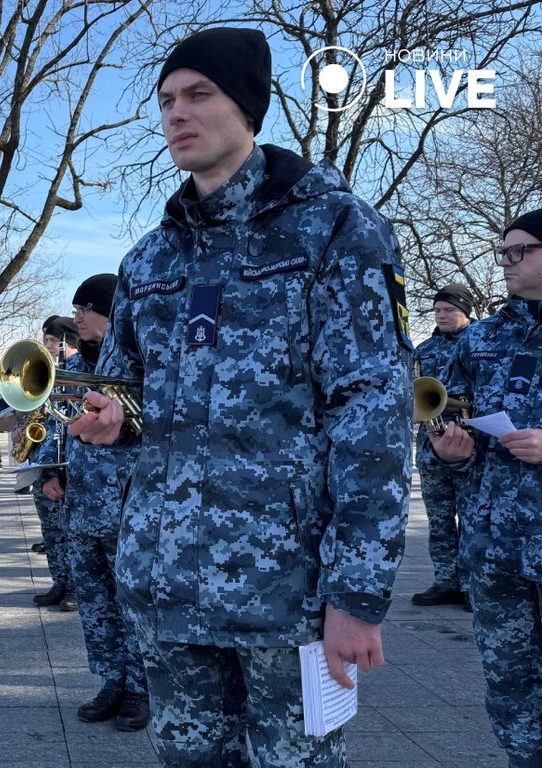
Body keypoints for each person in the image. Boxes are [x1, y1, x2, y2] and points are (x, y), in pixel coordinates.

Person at [73, 27, 410, 766]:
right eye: (166, 100)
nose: (176, 114)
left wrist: (356, 592)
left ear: (249, 110)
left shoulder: (335, 231)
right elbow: (129, 393)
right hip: (164, 587)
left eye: (200, 94)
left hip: (288, 593)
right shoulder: (151, 257)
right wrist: (113, 421)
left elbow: (372, 413)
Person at [431, 210, 542, 767]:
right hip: (492, 543)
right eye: (502, 251)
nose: (505, 262)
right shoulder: (480, 338)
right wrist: (447, 450)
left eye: (519, 251)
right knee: (509, 682)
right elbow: (446, 408)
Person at [44, 276, 149, 731]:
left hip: (126, 505)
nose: (77, 317)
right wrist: (53, 471)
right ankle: (111, 679)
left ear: (111, 310)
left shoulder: (138, 355)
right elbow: (63, 426)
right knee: (94, 599)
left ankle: (141, 688)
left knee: (131, 601)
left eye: (86, 308)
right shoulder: (78, 361)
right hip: (83, 503)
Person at [409, 284, 474, 608]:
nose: (442, 315)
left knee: (472, 517)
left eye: (448, 309)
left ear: (465, 310)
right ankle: (445, 580)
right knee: (440, 517)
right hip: (431, 444)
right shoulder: (423, 350)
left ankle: (471, 584)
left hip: (470, 443)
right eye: (437, 310)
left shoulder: (479, 342)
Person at [28, 316, 80, 613]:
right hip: (44, 465)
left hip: (64, 467)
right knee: (51, 531)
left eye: (50, 341)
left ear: (66, 342)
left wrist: (53, 470)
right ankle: (60, 581)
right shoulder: (49, 371)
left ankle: (74, 586)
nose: (46, 346)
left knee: (69, 531)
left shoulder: (77, 372)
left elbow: (63, 426)